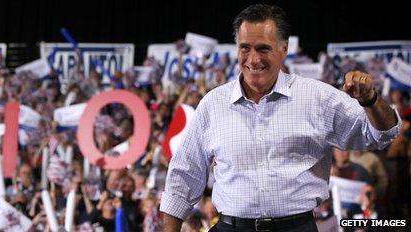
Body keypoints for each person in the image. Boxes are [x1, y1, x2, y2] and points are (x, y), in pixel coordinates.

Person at [160, 4, 400, 232]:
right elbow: (183, 177)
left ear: (283, 49)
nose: (253, 59)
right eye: (245, 48)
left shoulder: (318, 97)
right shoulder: (213, 104)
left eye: (263, 48)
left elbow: (383, 134)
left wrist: (370, 100)